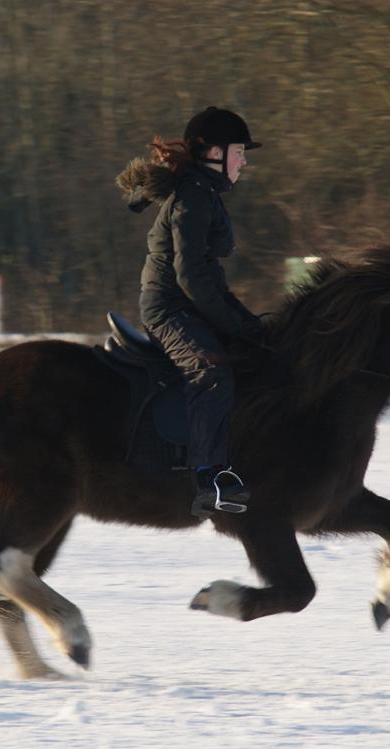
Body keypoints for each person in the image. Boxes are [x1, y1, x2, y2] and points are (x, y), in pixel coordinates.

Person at [115, 107, 266, 517]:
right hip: (168, 309)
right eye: (239, 151)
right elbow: (191, 278)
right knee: (210, 371)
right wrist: (234, 323)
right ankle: (209, 476)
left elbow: (210, 281)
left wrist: (250, 324)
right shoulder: (193, 197)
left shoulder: (202, 192)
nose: (244, 161)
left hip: (188, 303)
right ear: (214, 152)